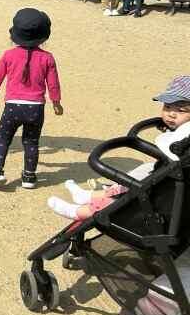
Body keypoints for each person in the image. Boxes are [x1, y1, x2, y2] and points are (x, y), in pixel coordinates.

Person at [48, 76, 190, 221]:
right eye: (167, 107)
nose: (171, 114)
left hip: (167, 191)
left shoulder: (186, 135)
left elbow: (168, 149)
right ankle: (90, 195)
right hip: (171, 180)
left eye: (180, 110)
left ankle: (79, 212)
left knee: (132, 192)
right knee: (144, 170)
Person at [0, 9, 63, 188]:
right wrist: (56, 102)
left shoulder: (8, 55)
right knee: (31, 141)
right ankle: (29, 176)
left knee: (3, 138)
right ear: (44, 37)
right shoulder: (48, 58)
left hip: (12, 107)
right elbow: (53, 83)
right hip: (36, 108)